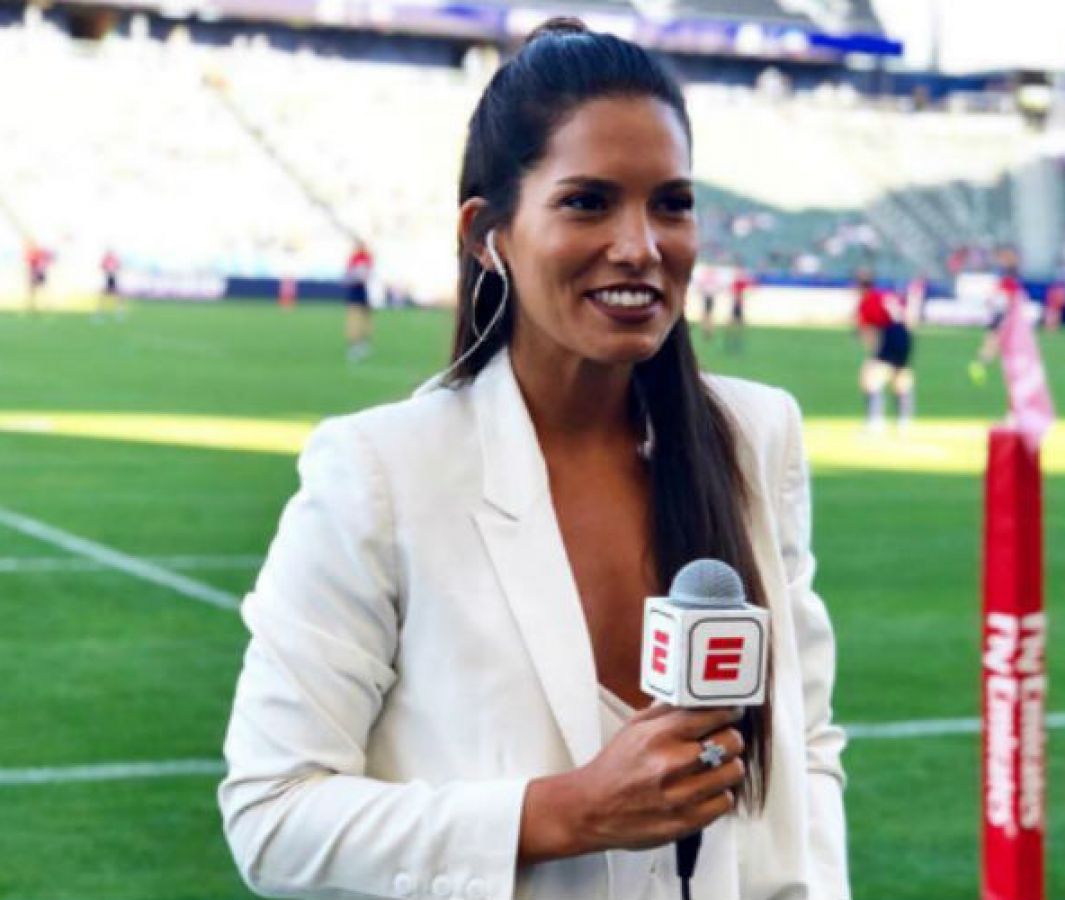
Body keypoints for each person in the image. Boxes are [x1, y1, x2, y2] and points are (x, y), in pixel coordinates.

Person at [219, 19, 848, 900]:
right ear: (489, 234)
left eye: (672, 203)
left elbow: (805, 746)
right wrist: (566, 812)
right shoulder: (379, 471)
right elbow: (272, 815)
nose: (641, 245)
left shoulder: (756, 436)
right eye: (588, 202)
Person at [855, 269, 915, 432]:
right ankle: (904, 420)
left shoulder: (867, 301)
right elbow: (906, 314)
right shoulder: (885, 294)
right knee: (900, 376)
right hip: (904, 334)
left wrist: (874, 351)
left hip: (889, 334)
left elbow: (869, 332)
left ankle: (874, 420)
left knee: (870, 377)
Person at [968, 249, 1025, 385]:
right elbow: (1010, 301)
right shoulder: (1010, 283)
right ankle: (979, 364)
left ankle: (979, 364)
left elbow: (992, 297)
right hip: (1002, 316)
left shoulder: (1003, 282)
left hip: (997, 315)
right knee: (996, 344)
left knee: (993, 343)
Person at [345, 240, 374, 361]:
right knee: (356, 317)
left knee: (363, 317)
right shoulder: (357, 257)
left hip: (363, 289)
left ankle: (361, 342)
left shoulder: (364, 257)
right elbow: (351, 274)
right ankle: (356, 343)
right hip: (357, 289)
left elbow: (367, 273)